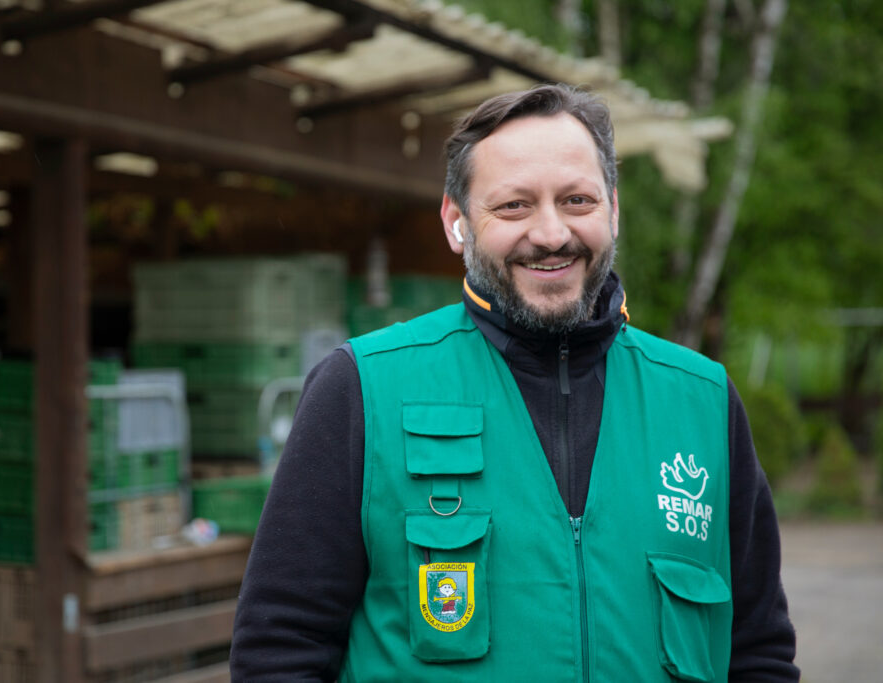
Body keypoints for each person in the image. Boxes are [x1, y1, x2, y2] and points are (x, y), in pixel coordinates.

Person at [231, 83, 799, 681]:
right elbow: (280, 646)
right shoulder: (361, 389)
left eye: (577, 200)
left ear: (613, 208)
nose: (552, 234)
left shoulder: (701, 400)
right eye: (514, 206)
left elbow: (758, 648)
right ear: (456, 223)